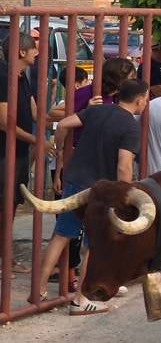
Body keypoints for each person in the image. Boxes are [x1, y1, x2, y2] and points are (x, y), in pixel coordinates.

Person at [38, 79, 149, 315]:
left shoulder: (97, 110)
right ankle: (81, 300)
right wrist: (124, 195)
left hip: (76, 180)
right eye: (146, 98)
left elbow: (64, 124)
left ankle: (38, 291)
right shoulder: (130, 126)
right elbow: (124, 164)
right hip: (101, 190)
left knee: (61, 235)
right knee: (93, 245)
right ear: (140, 99)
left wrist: (59, 149)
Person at [0, 33, 40, 275]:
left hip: (19, 152)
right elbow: (5, 122)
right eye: (33, 48)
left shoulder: (22, 77)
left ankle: (7, 259)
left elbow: (37, 114)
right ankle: (6, 262)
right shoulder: (4, 77)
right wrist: (37, 140)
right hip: (4, 154)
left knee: (12, 205)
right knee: (5, 207)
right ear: (21, 52)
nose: (37, 52)